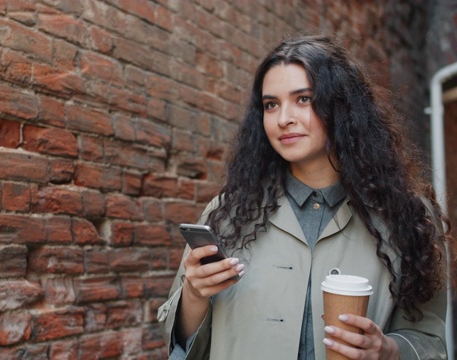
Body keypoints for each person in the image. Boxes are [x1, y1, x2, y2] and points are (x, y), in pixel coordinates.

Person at [158, 34, 452, 359]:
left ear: (341, 107)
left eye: (303, 99)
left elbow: (430, 339)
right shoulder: (227, 213)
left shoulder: (407, 217)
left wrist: (389, 351)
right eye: (271, 104)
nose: (284, 119)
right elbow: (180, 345)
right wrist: (194, 295)